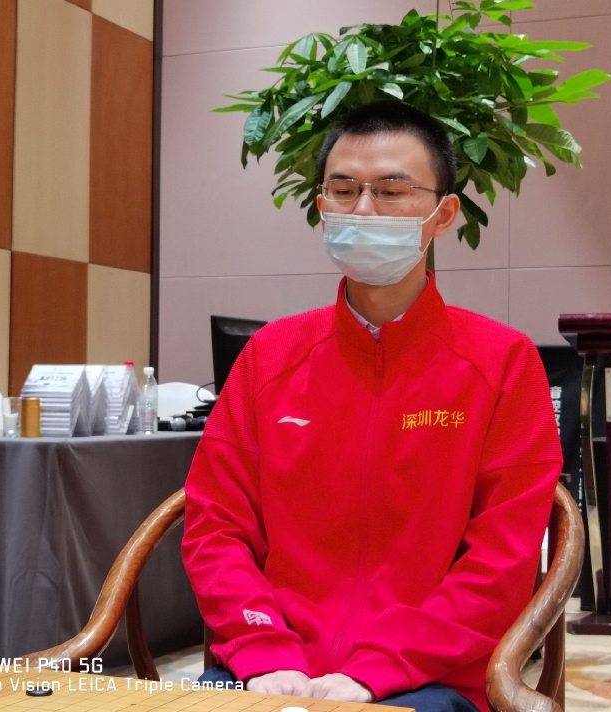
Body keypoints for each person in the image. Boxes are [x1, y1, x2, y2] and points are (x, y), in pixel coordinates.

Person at [181, 100, 562, 712]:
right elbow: (215, 527)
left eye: (391, 191)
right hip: (274, 666)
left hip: (430, 676)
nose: (363, 209)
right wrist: (264, 648)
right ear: (321, 206)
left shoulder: (501, 364)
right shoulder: (270, 356)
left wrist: (380, 668)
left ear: (443, 214)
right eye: (344, 190)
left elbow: (503, 558)